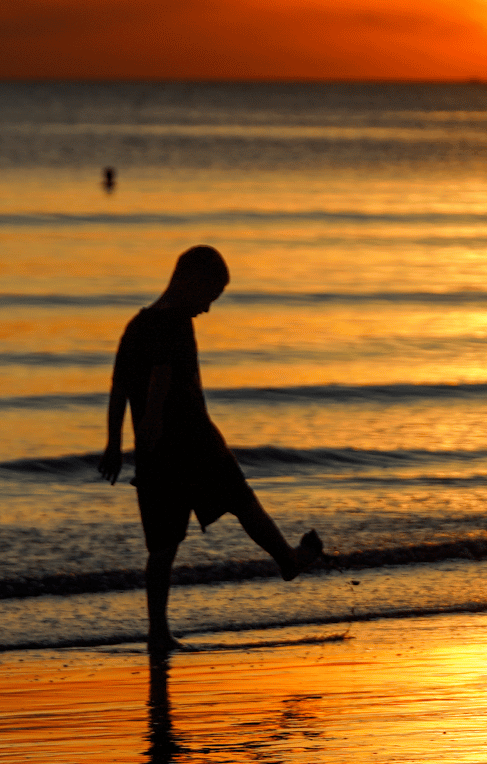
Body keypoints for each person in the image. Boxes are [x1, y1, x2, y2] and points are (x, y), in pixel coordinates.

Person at [99, 245, 322, 651]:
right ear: (190, 282)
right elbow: (162, 377)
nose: (207, 308)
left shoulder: (136, 325)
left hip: (155, 454)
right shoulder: (176, 323)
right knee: (240, 499)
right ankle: (287, 561)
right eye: (209, 296)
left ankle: (157, 632)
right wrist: (151, 420)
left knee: (163, 544)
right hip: (193, 442)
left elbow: (118, 386)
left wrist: (115, 444)